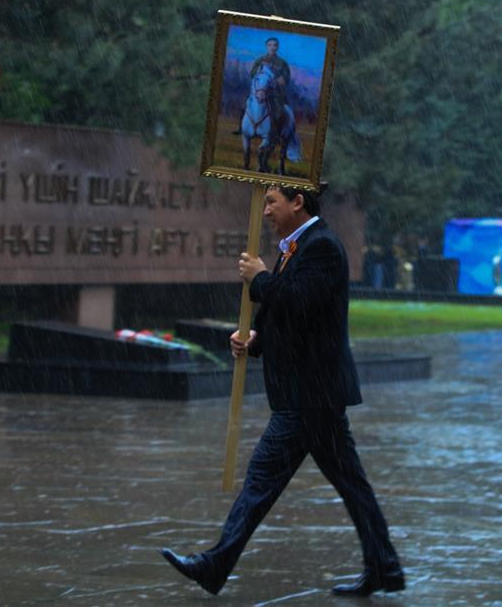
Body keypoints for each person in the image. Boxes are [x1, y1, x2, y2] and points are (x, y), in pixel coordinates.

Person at [160, 183, 404, 597]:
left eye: (271, 202)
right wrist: (256, 339)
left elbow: (300, 302)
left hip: (309, 394)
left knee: (261, 480)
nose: (266, 211)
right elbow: (296, 321)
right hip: (314, 394)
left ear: (297, 203)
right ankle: (385, 568)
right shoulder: (296, 248)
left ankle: (216, 565)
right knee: (350, 485)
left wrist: (260, 279)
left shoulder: (322, 246)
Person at [233, 37, 292, 135]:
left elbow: (287, 78)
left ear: (277, 47)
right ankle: (242, 129)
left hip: (274, 94)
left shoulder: (282, 63)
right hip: (259, 91)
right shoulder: (260, 60)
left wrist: (282, 80)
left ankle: (275, 134)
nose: (272, 47)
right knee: (245, 106)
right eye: (270, 45)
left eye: (275, 45)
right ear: (266, 46)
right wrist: (259, 70)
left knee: (278, 111)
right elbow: (252, 74)